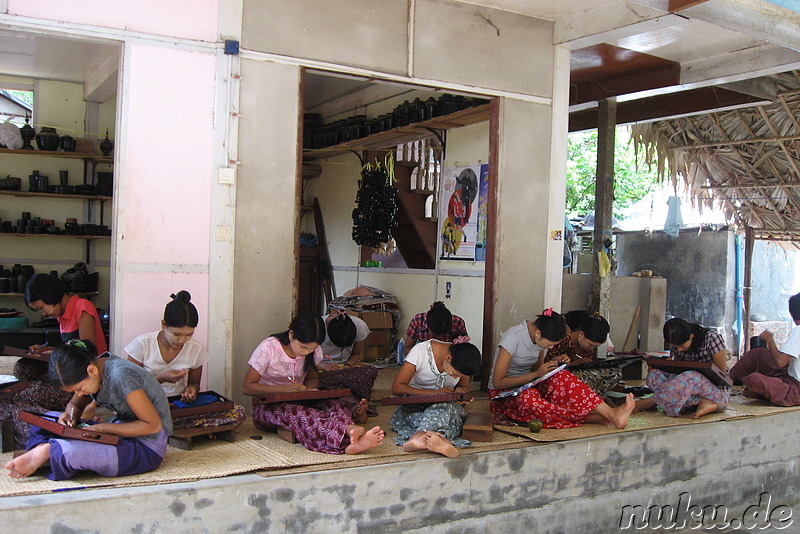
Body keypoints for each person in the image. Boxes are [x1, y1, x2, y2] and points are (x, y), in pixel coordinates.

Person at [5, 339, 172, 480]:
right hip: (119, 433)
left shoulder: (122, 376)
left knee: (71, 452)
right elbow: (75, 405)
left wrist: (103, 428)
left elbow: (153, 426)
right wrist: (69, 416)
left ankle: (49, 450)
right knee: (45, 421)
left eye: (79, 388)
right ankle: (53, 450)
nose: (79, 394)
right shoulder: (94, 371)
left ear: (91, 371)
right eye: (74, 392)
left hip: (147, 445)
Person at [243, 312, 385, 455]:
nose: (306, 352)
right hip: (267, 408)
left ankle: (351, 433)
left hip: (300, 398)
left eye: (311, 349)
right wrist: (285, 389)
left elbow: (312, 378)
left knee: (335, 404)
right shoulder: (269, 348)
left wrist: (310, 389)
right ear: (291, 334)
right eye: (303, 347)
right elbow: (248, 387)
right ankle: (347, 438)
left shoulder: (313, 350)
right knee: (299, 413)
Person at [489, 309, 635, 429]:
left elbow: (537, 370)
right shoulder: (512, 337)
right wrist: (536, 374)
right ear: (538, 333)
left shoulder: (540, 339)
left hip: (527, 386)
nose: (551, 348)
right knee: (530, 400)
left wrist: (553, 362)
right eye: (549, 344)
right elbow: (498, 382)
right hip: (503, 394)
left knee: (563, 376)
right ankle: (591, 417)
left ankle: (610, 413)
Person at [125, 291, 245, 430]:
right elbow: (128, 387)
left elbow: (194, 383)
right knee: (134, 417)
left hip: (177, 407)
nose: (182, 340)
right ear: (164, 325)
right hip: (145, 406)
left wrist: (191, 391)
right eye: (176, 334)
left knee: (237, 412)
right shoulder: (142, 344)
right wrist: (161, 378)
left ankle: (169, 429)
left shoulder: (196, 348)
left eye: (189, 335)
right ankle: (194, 429)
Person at [17, 273, 107, 411]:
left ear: (50, 295)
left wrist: (54, 353)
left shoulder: (82, 306)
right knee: (22, 367)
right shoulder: (62, 315)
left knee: (25, 393)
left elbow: (86, 350)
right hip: (70, 370)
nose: (44, 314)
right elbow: (70, 347)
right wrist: (45, 351)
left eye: (41, 307)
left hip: (83, 377)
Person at [389, 339, 481, 458]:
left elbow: (463, 386)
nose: (454, 377)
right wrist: (434, 394)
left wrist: (461, 393)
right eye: (454, 374)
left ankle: (420, 437)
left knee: (451, 412)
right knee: (448, 420)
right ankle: (442, 439)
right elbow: (397, 388)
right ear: (448, 358)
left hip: (445, 407)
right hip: (415, 405)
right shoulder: (420, 352)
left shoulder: (463, 362)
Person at [637, 318, 730, 418]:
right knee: (654, 376)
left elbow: (722, 374)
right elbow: (676, 367)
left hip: (716, 392)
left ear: (691, 336)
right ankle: (702, 403)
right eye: (675, 347)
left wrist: (697, 377)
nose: (679, 350)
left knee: (692, 376)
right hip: (686, 388)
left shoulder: (712, 339)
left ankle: (652, 401)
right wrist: (663, 365)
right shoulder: (675, 341)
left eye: (681, 346)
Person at [730, 292, 800, 406]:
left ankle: (727, 382)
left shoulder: (799, 331)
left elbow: (780, 362)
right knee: (759, 353)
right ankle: (728, 379)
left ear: (792, 314)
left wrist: (770, 340)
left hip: (795, 390)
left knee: (754, 379)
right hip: (788, 377)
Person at [545, 310, 621, 396]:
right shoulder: (560, 342)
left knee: (616, 373)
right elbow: (547, 370)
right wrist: (573, 364)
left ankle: (596, 400)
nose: (592, 349)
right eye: (590, 345)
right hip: (557, 383)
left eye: (595, 347)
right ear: (581, 334)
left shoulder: (586, 349)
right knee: (581, 377)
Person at [317, 311, 379, 401]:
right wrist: (324, 365)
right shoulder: (317, 326)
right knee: (314, 381)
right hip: (321, 370)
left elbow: (356, 354)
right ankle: (349, 393)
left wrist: (348, 365)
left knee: (371, 370)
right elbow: (306, 362)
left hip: (343, 370)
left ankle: (339, 390)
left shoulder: (359, 325)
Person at [404, 301, 468, 356]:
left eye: (443, 335)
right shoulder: (418, 321)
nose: (439, 338)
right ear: (427, 324)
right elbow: (407, 348)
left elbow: (463, 352)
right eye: (435, 335)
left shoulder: (458, 323)